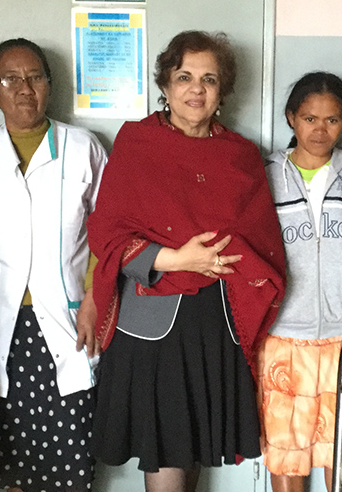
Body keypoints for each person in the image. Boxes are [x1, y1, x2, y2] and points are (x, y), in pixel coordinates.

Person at [87, 30, 286, 492]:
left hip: (215, 318)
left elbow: (261, 240)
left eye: (209, 79)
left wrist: (223, 262)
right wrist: (175, 258)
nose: (196, 89)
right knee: (165, 444)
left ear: (223, 91)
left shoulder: (240, 155)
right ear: (166, 85)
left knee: (193, 441)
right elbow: (108, 231)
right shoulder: (136, 143)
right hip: (151, 319)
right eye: (184, 77)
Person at [0, 38, 107, 492]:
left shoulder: (85, 148)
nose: (25, 89)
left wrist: (93, 301)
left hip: (69, 319)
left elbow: (108, 236)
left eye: (36, 77)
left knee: (72, 460)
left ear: (50, 84)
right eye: (11, 79)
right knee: (9, 464)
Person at [259, 72, 342, 492]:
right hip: (283, 339)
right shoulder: (263, 177)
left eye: (332, 120)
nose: (320, 130)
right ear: (291, 119)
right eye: (309, 118)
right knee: (287, 453)